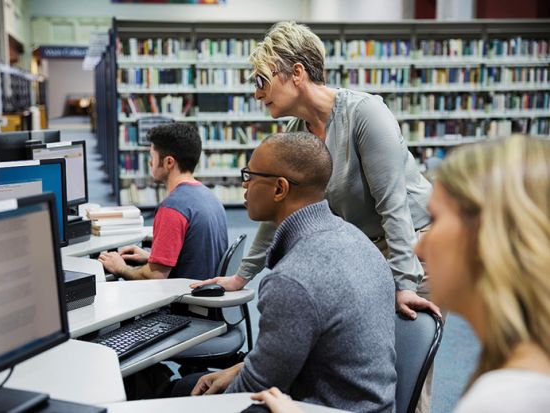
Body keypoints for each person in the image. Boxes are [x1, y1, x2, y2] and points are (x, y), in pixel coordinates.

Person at [249, 134, 550, 413]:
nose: (419, 250)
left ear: (490, 237)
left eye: (437, 219)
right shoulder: (519, 372)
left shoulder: (508, 398)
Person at [193, 21, 439, 321]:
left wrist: (404, 283)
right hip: (367, 250)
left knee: (409, 358)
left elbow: (394, 205)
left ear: (297, 73)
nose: (257, 94)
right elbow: (279, 207)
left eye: (262, 81)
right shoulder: (298, 133)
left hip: (416, 248)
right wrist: (241, 277)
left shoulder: (365, 115)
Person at [184, 132, 397, 412]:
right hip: (365, 403)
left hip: (321, 406)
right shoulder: (355, 238)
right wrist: (240, 368)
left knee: (185, 394)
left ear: (279, 189)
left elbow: (255, 388)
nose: (244, 185)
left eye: (250, 175)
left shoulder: (293, 279)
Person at [98, 123, 228, 280]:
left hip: (183, 299)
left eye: (152, 157)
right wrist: (152, 257)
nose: (150, 162)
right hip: (206, 291)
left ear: (169, 163)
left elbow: (154, 278)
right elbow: (195, 254)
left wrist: (120, 267)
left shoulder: (172, 208)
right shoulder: (210, 196)